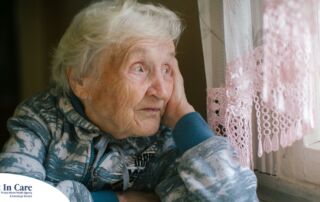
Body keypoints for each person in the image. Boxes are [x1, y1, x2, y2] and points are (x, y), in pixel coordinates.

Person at [0, 0, 258, 201]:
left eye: (167, 69)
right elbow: (13, 195)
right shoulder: (43, 119)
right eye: (140, 68)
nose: (160, 91)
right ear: (81, 80)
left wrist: (183, 114)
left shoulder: (163, 139)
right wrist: (114, 199)